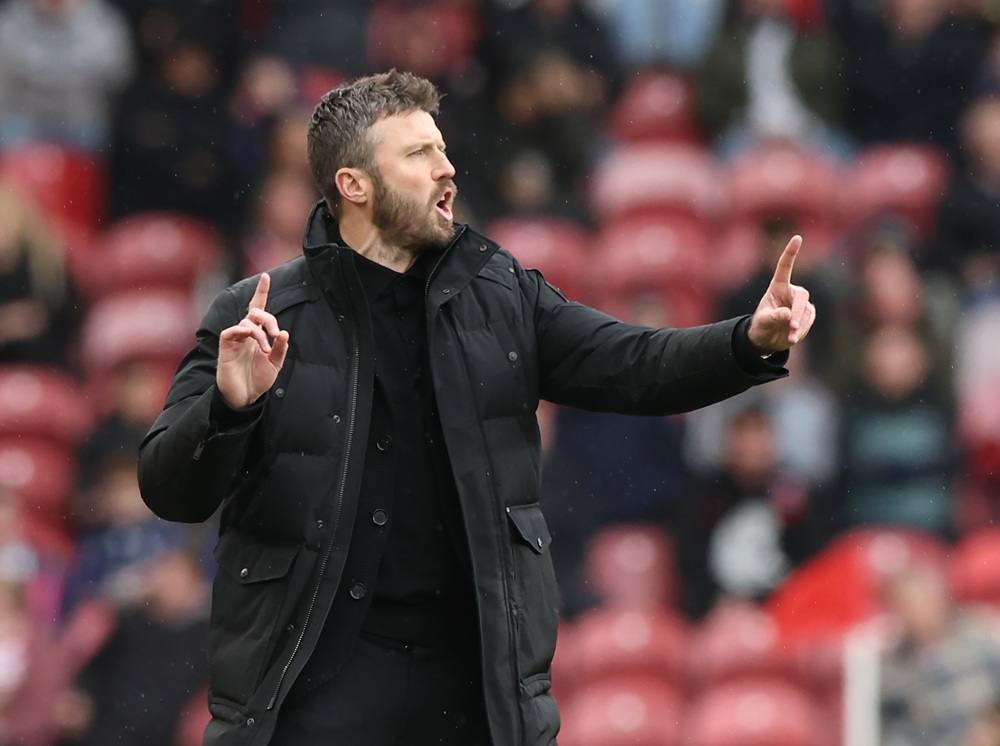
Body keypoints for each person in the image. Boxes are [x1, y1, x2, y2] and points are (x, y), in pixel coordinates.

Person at [137, 69, 816, 746]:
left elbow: (634, 364)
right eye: (418, 154)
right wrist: (230, 406)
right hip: (308, 694)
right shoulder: (256, 315)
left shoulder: (503, 294)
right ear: (354, 186)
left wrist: (746, 340)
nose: (446, 168)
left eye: (442, 148)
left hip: (472, 693)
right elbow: (170, 488)